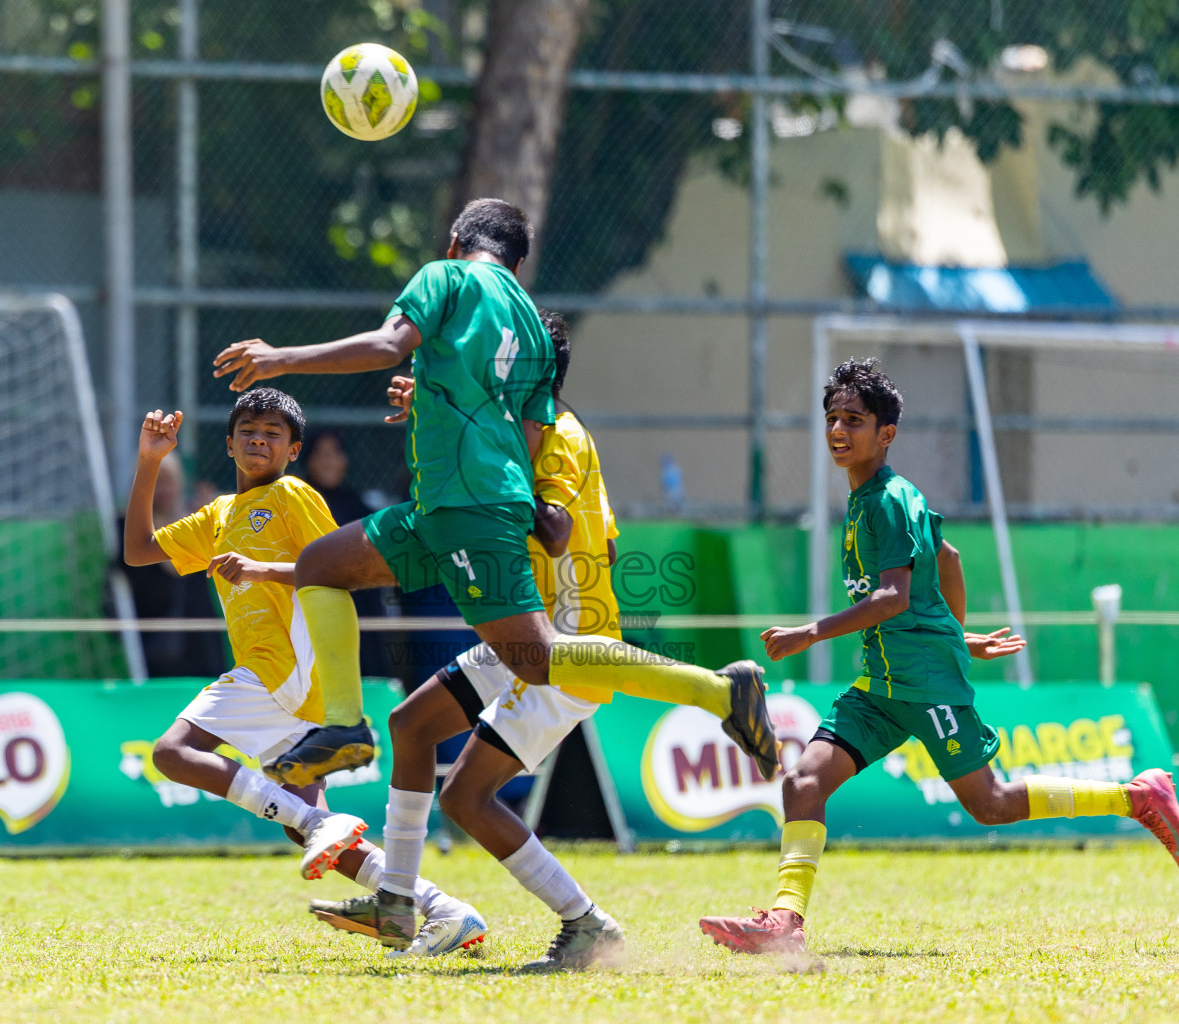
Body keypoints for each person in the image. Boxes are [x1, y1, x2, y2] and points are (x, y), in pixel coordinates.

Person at [211, 199, 778, 963]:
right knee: (397, 700)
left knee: (504, 721)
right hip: (451, 515)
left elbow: (394, 348)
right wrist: (444, 410)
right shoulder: (530, 335)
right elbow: (525, 441)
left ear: (454, 242)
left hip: (536, 590)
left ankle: (714, 698)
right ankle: (398, 897)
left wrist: (283, 359)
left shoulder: (448, 279)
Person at [697, 358, 1179, 958]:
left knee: (991, 804)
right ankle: (786, 923)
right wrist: (958, 636)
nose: (838, 429)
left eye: (853, 419)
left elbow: (894, 596)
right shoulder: (870, 499)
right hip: (882, 684)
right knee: (804, 781)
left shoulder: (887, 500)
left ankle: (1137, 797)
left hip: (927, 685)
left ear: (886, 434)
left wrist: (812, 633)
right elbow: (950, 557)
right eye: (831, 417)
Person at [309, 310, 632, 970]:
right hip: (527, 634)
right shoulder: (519, 433)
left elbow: (557, 528)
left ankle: (587, 923)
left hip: (565, 652)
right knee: (411, 724)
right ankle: (396, 901)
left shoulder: (558, 439)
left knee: (465, 797)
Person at [123, 388, 486, 955]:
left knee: (173, 752)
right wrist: (150, 460)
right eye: (248, 429)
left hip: (285, 668)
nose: (258, 438)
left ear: (293, 450)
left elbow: (338, 569)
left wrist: (262, 569)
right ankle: (442, 910)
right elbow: (140, 550)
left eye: (273, 432)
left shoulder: (292, 493)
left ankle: (324, 828)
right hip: (279, 683)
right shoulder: (218, 514)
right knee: (301, 820)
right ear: (229, 442)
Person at [298, 428, 396, 681]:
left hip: (358, 608)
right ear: (307, 459)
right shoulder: (297, 503)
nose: (328, 461)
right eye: (320, 454)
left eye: (335, 453)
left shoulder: (358, 507)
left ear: (345, 461)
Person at [114, 456, 226, 678]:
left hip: (201, 646)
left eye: (169, 481)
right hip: (154, 647)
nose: (164, 489)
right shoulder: (128, 530)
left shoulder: (199, 521)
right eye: (156, 482)